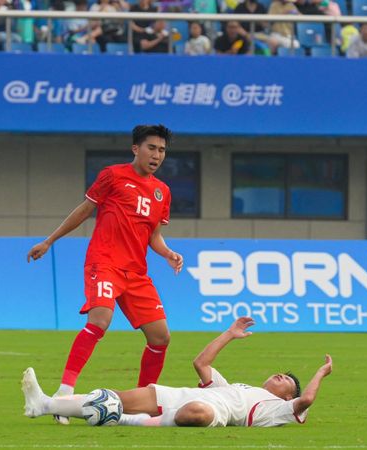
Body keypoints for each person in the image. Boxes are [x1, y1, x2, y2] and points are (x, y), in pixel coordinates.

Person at [26, 125, 183, 424]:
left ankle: (142, 399)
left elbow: (154, 236)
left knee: (161, 337)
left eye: (162, 150)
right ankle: (64, 393)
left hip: (136, 273)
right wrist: (49, 240)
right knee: (100, 320)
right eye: (151, 148)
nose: (157, 155)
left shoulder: (163, 191)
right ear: (136, 148)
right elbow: (85, 210)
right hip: (105, 262)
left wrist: (168, 254)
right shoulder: (112, 175)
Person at [22, 317, 334, 427]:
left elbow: (305, 401)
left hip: (212, 412)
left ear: (287, 396)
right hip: (178, 396)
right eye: (280, 373)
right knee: (111, 397)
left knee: (196, 412)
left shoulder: (278, 409)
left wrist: (320, 373)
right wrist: (228, 334)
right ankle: (44, 405)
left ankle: (129, 421)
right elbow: (201, 364)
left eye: (288, 382)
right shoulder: (236, 385)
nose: (281, 376)